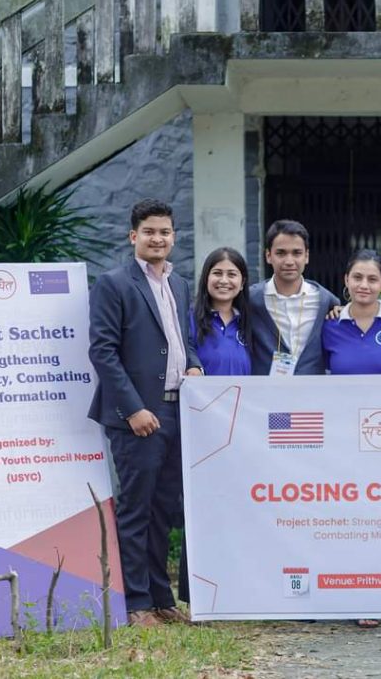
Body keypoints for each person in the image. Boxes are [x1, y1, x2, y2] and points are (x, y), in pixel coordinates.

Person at [88, 198, 203, 627]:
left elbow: (182, 339)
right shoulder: (113, 283)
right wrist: (133, 408)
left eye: (166, 232)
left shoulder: (179, 284)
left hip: (177, 411)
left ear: (174, 237)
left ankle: (162, 597)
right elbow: (102, 351)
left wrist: (192, 362)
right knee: (136, 511)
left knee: (163, 510)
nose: (159, 239)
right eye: (150, 232)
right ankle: (135, 602)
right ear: (133, 236)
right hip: (137, 417)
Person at [322, 249, 381, 627]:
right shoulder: (328, 325)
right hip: (342, 439)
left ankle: (380, 593)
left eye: (372, 279)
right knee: (347, 515)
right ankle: (350, 593)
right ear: (345, 280)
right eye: (357, 277)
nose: (364, 285)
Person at [248, 220, 339, 375]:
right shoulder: (251, 298)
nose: (289, 261)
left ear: (307, 256)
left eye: (297, 253)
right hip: (265, 393)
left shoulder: (324, 300)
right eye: (281, 253)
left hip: (311, 393)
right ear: (268, 256)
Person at [190, 247, 252, 376]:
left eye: (232, 274)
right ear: (206, 278)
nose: (224, 281)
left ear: (242, 283)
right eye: (217, 273)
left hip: (244, 396)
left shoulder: (250, 321)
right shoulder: (189, 318)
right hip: (203, 396)